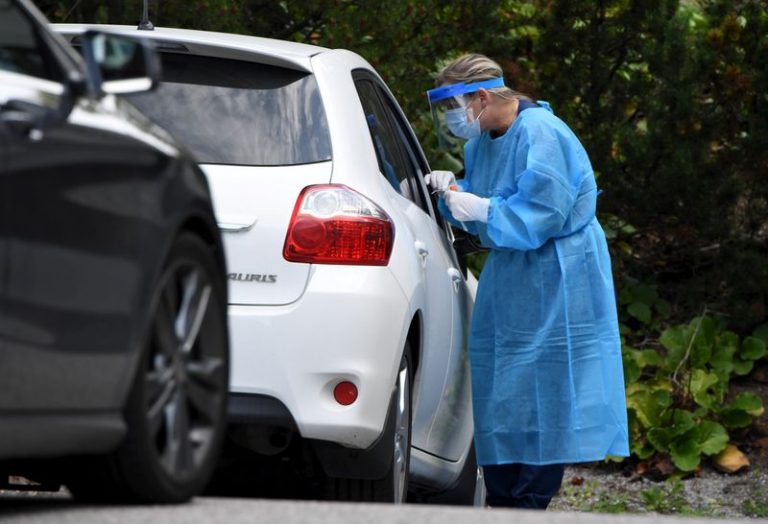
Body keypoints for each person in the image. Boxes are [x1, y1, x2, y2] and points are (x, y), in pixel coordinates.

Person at [425, 53, 629, 509]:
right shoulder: (480, 144)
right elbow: (486, 213)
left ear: (481, 95)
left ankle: (528, 500)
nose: (454, 119)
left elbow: (541, 215)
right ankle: (503, 497)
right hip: (512, 275)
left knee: (549, 385)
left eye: (456, 105)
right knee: (505, 384)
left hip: (560, 271)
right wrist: (451, 196)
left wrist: (480, 208)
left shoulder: (542, 133)